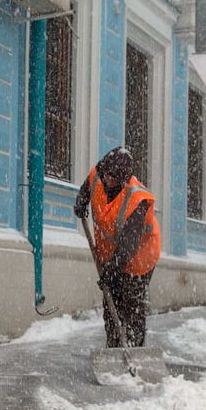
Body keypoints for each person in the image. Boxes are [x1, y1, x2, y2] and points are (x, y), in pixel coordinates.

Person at [74, 146, 161, 347]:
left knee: (131, 304)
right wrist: (81, 201)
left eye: (113, 178)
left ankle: (134, 348)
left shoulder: (137, 200)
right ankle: (114, 347)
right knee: (111, 300)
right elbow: (89, 186)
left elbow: (127, 248)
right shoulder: (100, 173)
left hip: (140, 257)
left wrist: (111, 271)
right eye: (106, 174)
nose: (107, 180)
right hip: (112, 254)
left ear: (123, 181)